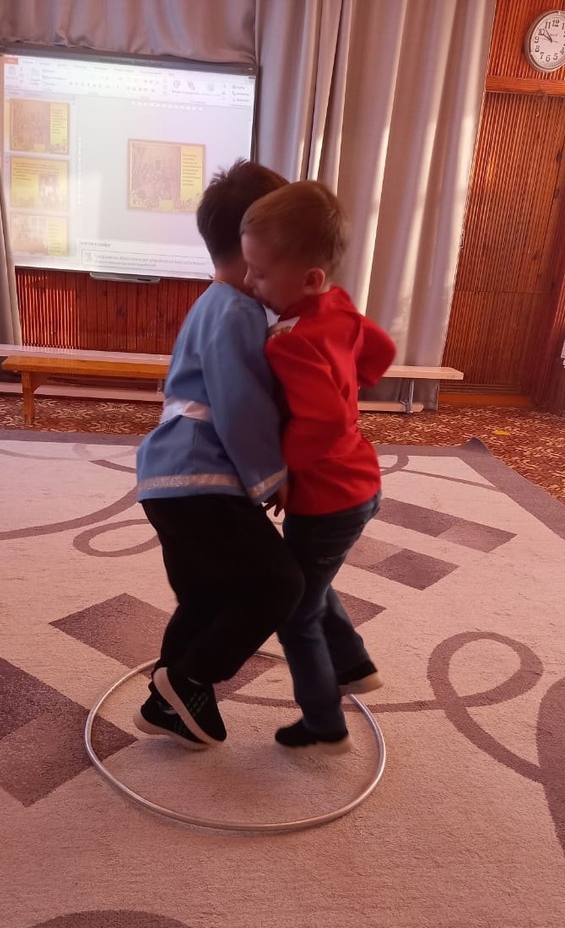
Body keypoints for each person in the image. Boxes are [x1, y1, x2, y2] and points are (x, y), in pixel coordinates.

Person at [134, 160, 304, 750]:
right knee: (278, 584)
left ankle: (168, 701)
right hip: (200, 478)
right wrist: (273, 478)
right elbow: (240, 406)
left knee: (206, 597)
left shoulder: (213, 303)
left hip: (167, 481)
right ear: (261, 247)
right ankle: (188, 679)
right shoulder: (236, 311)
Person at [240, 179, 397, 754]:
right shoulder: (339, 304)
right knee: (310, 581)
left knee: (295, 613)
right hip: (359, 481)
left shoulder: (288, 341)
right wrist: (354, 381)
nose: (249, 283)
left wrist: (284, 474)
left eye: (260, 274)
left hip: (328, 499)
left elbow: (324, 422)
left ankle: (325, 724)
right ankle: (353, 663)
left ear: (309, 279)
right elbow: (382, 349)